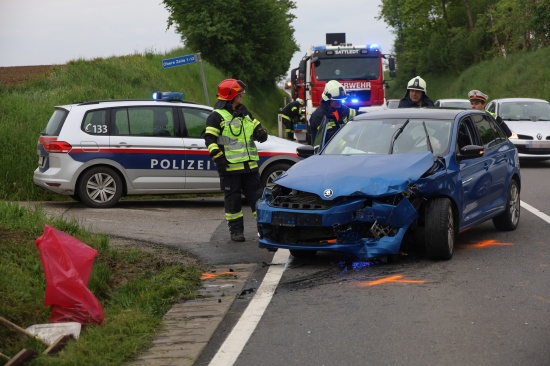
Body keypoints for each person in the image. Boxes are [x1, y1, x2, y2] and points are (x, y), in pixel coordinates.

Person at [204, 79, 268, 242]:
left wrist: (261, 132)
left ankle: (265, 230)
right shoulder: (216, 117)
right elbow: (210, 139)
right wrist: (217, 157)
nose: (241, 97)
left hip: (250, 167)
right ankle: (236, 232)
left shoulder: (244, 112)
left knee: (258, 200)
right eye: (239, 95)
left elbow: (255, 126)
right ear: (231, 96)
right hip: (230, 168)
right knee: (233, 202)